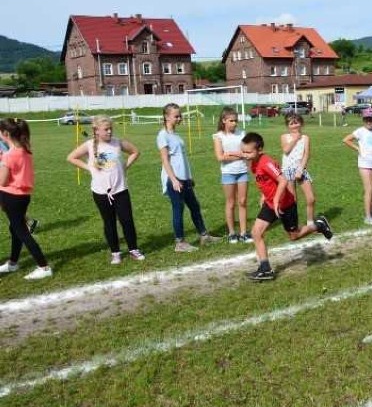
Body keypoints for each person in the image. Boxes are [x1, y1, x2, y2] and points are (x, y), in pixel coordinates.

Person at [241, 132, 332, 281]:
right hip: (270, 203)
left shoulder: (265, 162)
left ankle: (319, 225)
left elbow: (282, 180)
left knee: (294, 236)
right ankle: (266, 269)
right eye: (244, 151)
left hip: (284, 203)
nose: (245, 155)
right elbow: (267, 181)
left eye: (248, 152)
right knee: (256, 233)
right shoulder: (253, 160)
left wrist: (276, 199)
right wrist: (265, 195)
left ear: (260, 150)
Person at [66, 115, 145, 265]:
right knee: (109, 222)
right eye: (106, 129)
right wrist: (89, 167)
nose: (109, 132)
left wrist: (125, 166)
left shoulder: (117, 143)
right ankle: (115, 252)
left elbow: (135, 152)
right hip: (101, 193)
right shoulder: (89, 145)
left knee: (127, 221)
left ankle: (133, 249)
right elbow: (71, 157)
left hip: (120, 190)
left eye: (110, 129)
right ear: (96, 130)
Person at [157, 103, 221, 252]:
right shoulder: (163, 135)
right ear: (167, 117)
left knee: (194, 207)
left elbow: (182, 159)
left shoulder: (176, 135)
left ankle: (204, 236)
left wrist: (189, 177)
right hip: (174, 180)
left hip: (184, 179)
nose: (179, 118)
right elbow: (165, 160)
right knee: (178, 209)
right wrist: (173, 180)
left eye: (180, 116)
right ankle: (180, 243)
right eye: (176, 116)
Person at [0, 118, 51, 279]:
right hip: (21, 197)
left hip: (11, 196)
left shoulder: (9, 156)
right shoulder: (25, 150)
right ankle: (13, 263)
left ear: (5, 134)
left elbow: (3, 181)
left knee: (22, 231)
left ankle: (43, 267)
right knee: (15, 229)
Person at [212, 107, 250, 244]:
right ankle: (232, 232)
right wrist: (238, 155)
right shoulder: (218, 136)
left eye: (236, 120)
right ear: (224, 121)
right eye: (231, 121)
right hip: (228, 173)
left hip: (242, 172)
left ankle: (244, 232)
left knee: (243, 201)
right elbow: (220, 157)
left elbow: (247, 153)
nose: (234, 123)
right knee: (230, 203)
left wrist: (231, 154)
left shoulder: (242, 134)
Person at [343, 107, 372, 225]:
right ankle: (368, 216)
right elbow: (346, 140)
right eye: (367, 119)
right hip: (365, 164)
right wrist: (358, 149)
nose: (369, 121)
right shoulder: (360, 131)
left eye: (371, 119)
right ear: (363, 120)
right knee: (369, 190)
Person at [281, 113, 318, 224]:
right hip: (288, 170)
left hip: (301, 170)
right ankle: (293, 223)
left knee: (311, 198)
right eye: (291, 124)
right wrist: (295, 139)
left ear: (301, 123)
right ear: (288, 126)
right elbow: (286, 150)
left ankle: (310, 222)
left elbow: (306, 154)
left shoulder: (305, 138)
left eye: (296, 123)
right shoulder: (284, 137)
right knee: (292, 200)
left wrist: (301, 169)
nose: (294, 126)